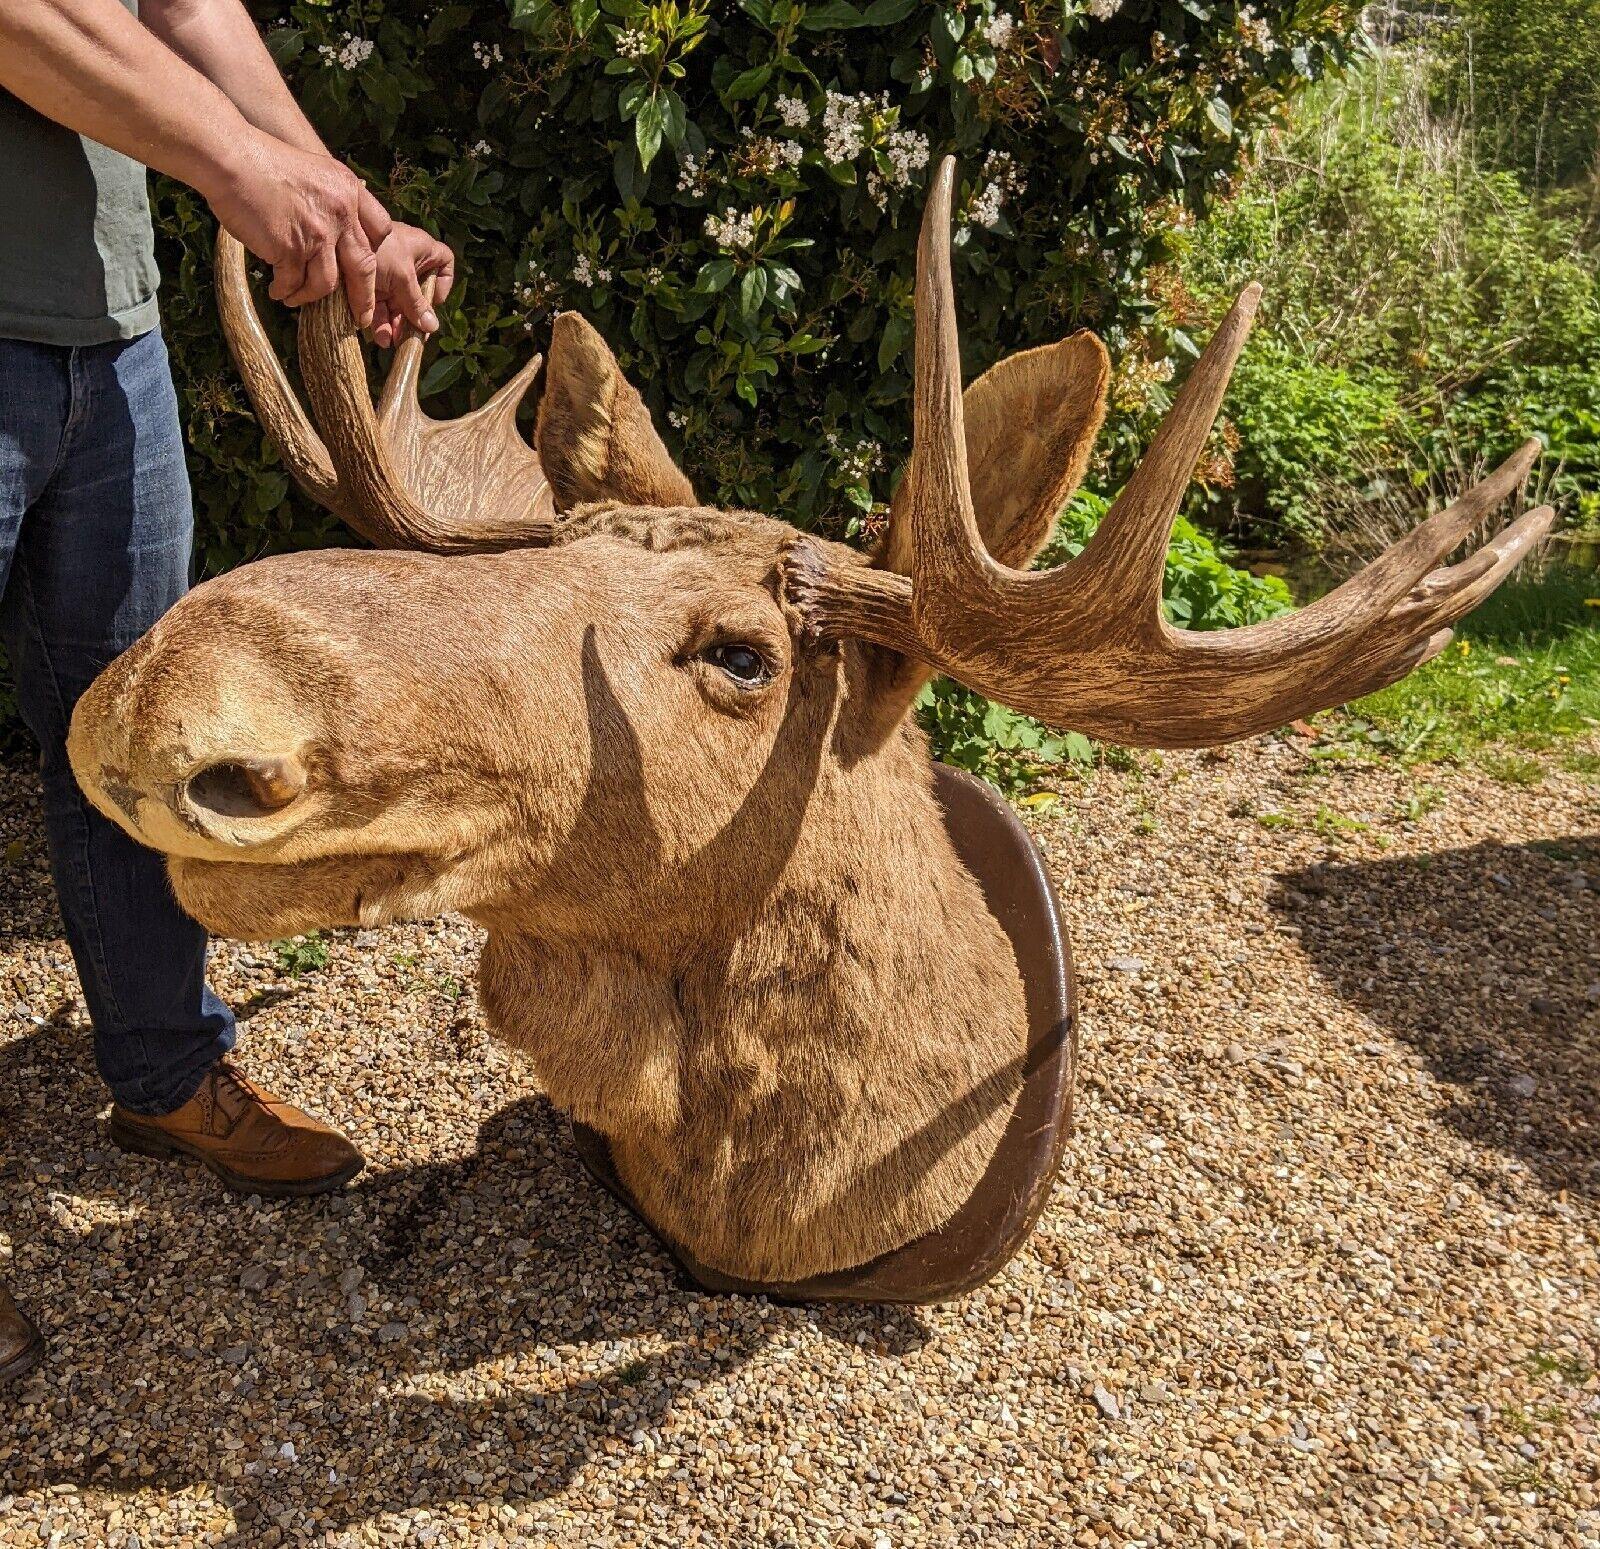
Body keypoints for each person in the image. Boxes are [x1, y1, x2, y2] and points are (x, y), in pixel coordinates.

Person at [0, 0, 458, 1382]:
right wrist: (241, 169)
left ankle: (163, 1075)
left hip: (106, 338)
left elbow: (181, 6)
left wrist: (337, 204)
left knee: (136, 740)